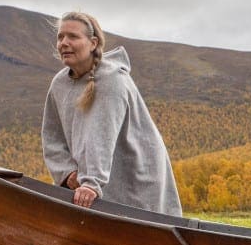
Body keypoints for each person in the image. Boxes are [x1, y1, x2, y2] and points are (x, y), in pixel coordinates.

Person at [41, 11, 182, 216]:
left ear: (93, 43)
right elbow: (52, 136)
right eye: (60, 37)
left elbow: (101, 135)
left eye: (73, 36)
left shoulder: (111, 79)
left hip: (135, 177)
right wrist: (66, 172)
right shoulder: (59, 84)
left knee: (141, 235)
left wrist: (91, 183)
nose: (64, 42)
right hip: (92, 180)